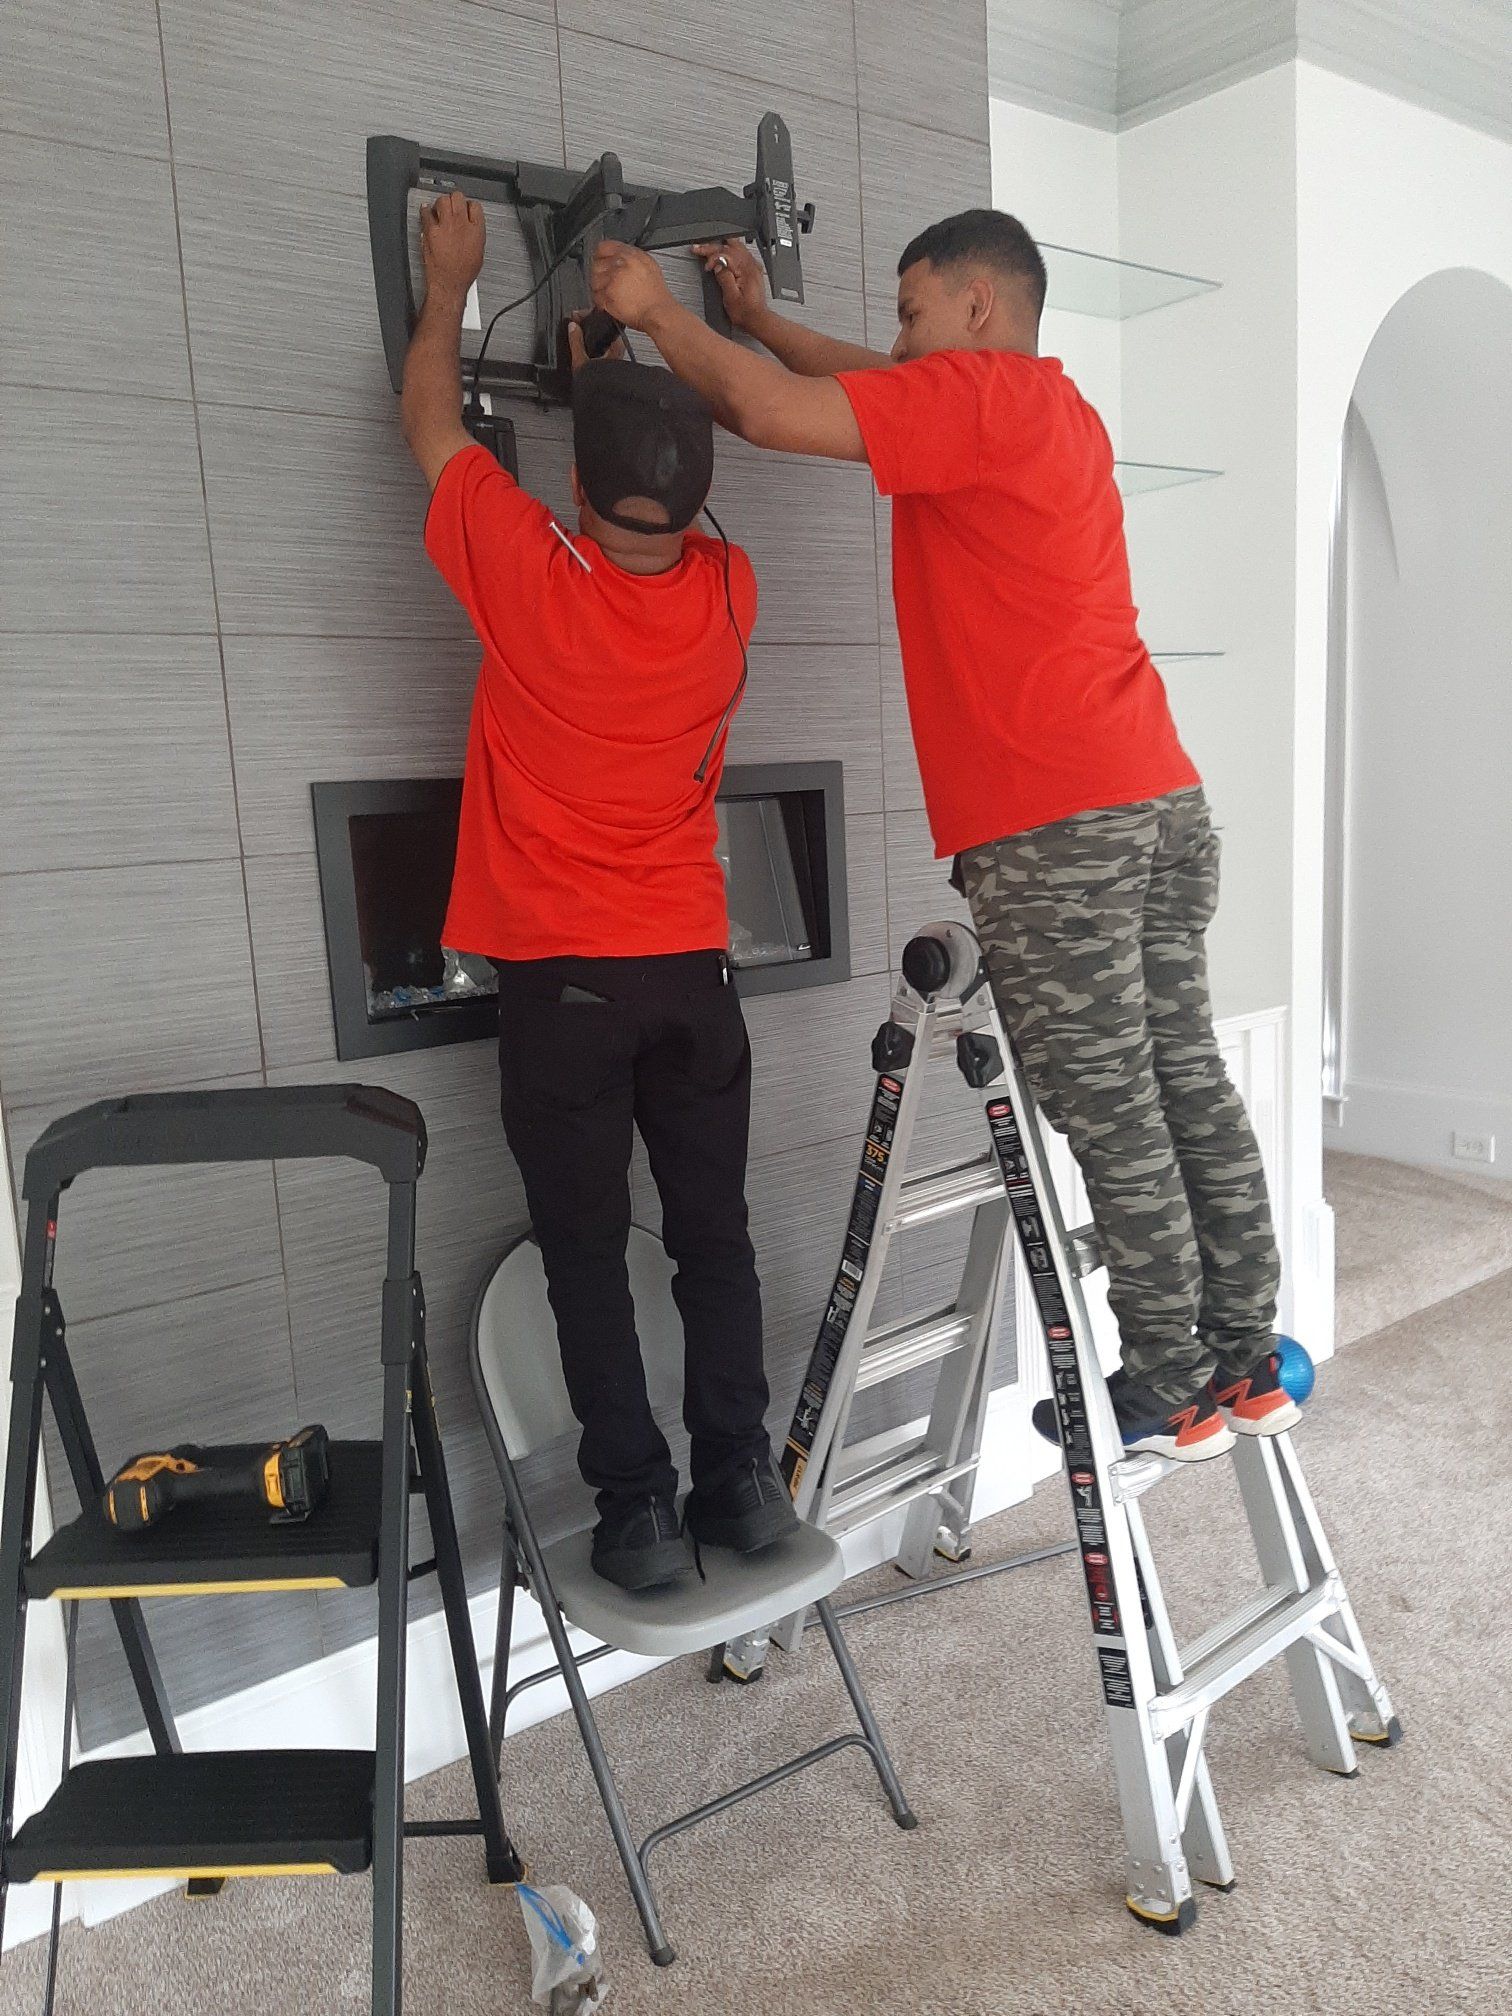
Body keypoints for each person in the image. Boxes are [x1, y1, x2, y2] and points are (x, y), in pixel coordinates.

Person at [588, 208, 1296, 1463]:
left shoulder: (974, 401)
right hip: (1158, 795)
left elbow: (763, 413)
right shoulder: (1042, 405)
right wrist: (756, 319)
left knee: (1110, 1097)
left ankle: (1169, 1379)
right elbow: (866, 385)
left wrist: (656, 314)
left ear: (978, 305)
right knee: (1182, 1071)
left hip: (1057, 824)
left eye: (913, 308)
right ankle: (1244, 1356)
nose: (900, 335)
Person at [400, 190, 797, 1587]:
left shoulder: (524, 576)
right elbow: (654, 501)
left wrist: (449, 283)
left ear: (572, 494)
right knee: (713, 1243)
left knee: (585, 1253)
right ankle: (741, 1488)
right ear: (695, 506)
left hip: (564, 991)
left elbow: (436, 429)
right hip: (696, 976)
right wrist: (634, 355)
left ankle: (634, 1514)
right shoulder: (732, 595)